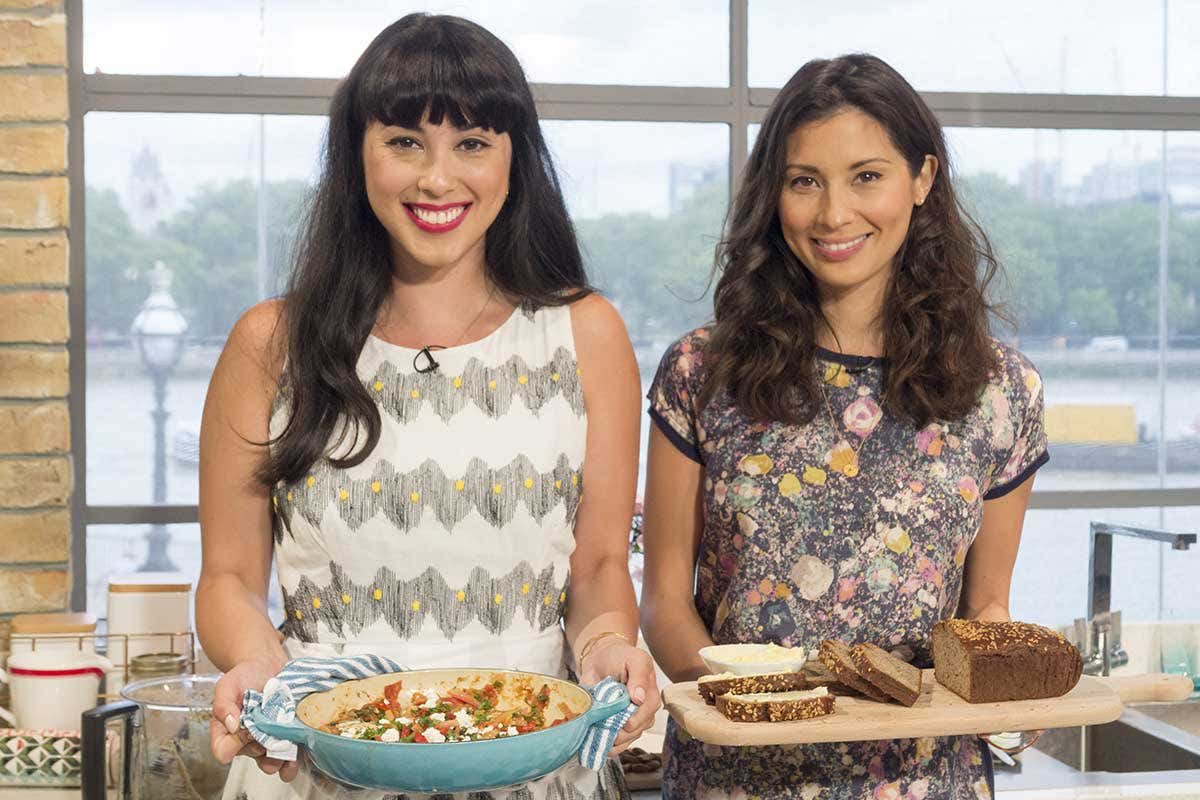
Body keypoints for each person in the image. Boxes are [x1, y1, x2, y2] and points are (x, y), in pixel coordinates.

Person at [197, 14, 658, 800]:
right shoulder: (269, 343)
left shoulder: (586, 334)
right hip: (319, 763)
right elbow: (230, 578)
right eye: (405, 141)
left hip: (535, 759)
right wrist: (254, 663)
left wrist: (611, 644)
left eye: (472, 143)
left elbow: (599, 567)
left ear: (516, 159)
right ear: (358, 154)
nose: (437, 179)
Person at [640, 54, 1048, 800]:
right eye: (805, 181)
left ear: (922, 179)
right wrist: (755, 704)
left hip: (929, 781)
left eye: (867, 176)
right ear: (775, 193)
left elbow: (984, 611)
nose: (833, 214)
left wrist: (1010, 688)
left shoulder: (999, 392)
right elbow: (666, 599)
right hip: (737, 782)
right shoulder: (702, 373)